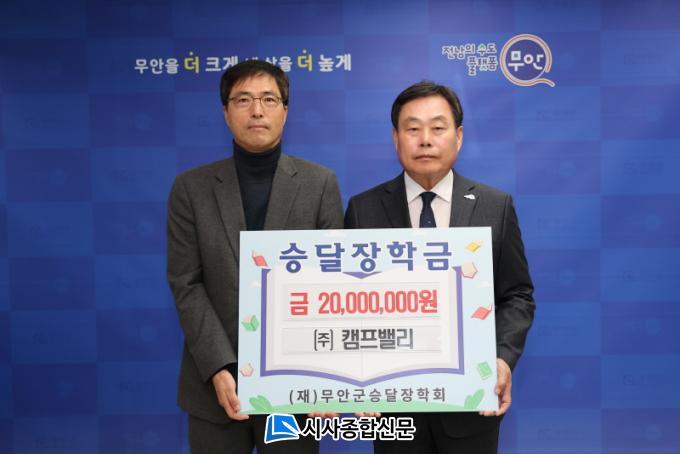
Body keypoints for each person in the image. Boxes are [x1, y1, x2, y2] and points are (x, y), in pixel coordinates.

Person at [344, 81, 535, 454]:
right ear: (396, 138)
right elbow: (348, 303)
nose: (425, 140)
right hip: (393, 407)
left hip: (470, 405)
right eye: (413, 129)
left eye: (437, 127)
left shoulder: (494, 206)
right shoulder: (363, 209)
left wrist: (501, 358)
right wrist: (356, 377)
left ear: (458, 137)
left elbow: (517, 295)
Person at [167, 60, 343, 453]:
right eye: (243, 100)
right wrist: (219, 366)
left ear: (285, 110)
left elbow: (333, 284)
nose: (257, 111)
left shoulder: (319, 184)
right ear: (225, 112)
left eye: (268, 99)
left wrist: (326, 375)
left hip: (297, 386)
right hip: (215, 385)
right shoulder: (191, 189)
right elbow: (186, 283)